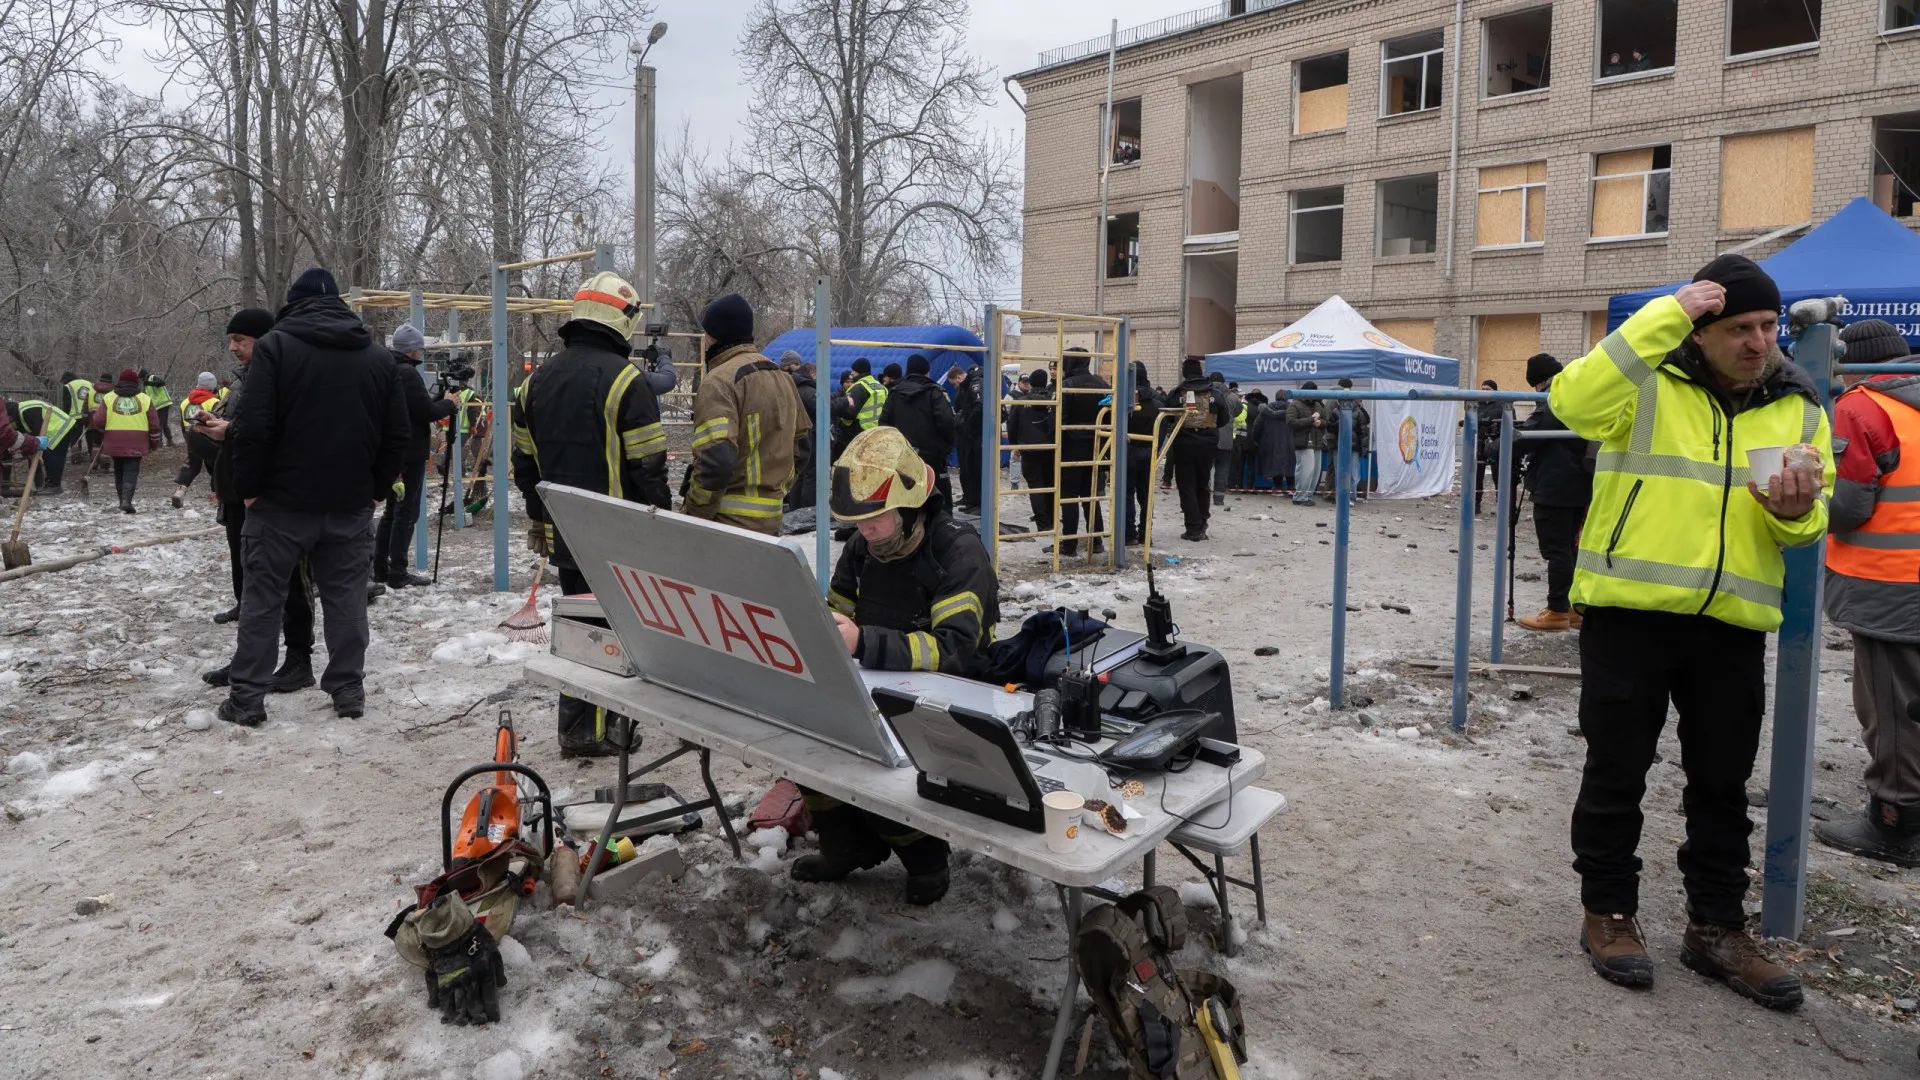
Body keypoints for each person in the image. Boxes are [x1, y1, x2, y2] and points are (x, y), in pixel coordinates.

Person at [1556, 254, 1830, 1008]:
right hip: (1630, 613)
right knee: (1617, 772)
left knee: (1723, 783)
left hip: (1730, 624)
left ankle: (1716, 928)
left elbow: (1812, 517)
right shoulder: (1645, 380)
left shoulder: (1800, 403)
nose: (1758, 342)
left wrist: (1795, 512)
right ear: (1701, 331)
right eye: (1739, 328)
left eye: (1768, 326)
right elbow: (1571, 402)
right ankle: (1608, 912)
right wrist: (1664, 314)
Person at [796, 426, 998, 904]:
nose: (864, 531)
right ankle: (843, 846)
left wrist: (864, 642)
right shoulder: (863, 548)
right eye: (857, 521)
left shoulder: (958, 552)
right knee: (807, 742)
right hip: (877, 679)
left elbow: (954, 650)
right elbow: (838, 612)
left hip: (954, 692)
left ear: (908, 507)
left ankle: (925, 859)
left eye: (875, 519)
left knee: (886, 773)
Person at [216, 268, 409, 727]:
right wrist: (375, 490)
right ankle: (348, 688)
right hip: (348, 504)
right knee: (346, 600)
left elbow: (254, 426)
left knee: (263, 600)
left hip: (279, 504)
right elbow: (396, 434)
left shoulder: (275, 349)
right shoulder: (378, 359)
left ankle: (247, 698)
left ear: (293, 303)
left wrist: (249, 490)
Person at [512, 272, 671, 756]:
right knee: (611, 630)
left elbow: (525, 465)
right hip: (618, 537)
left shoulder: (533, 383)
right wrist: (662, 527)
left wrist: (539, 519)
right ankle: (595, 732)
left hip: (564, 533)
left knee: (581, 627)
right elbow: (649, 467)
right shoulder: (627, 381)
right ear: (623, 321)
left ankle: (578, 725)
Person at [1816, 319, 1920, 865]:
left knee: (1892, 706)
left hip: (1890, 582)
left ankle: (1895, 822)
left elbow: (1848, 507)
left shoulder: (1860, 407)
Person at [197, 308, 319, 694]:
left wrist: (230, 430)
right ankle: (247, 658)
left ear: (265, 340)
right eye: (230, 340)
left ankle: (299, 658)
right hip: (238, 491)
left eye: (240, 340)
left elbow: (282, 434)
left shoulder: (284, 379)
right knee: (247, 580)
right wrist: (217, 424)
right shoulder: (242, 381)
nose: (232, 348)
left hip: (274, 496)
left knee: (291, 581)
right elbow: (244, 431)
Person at [681, 293, 810, 534]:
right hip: (772, 521)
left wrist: (695, 515)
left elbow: (716, 461)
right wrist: (775, 490)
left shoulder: (718, 382)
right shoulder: (784, 378)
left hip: (726, 525)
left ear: (713, 336)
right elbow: (803, 448)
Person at [374, 320, 457, 589]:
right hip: (409, 453)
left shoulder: (386, 369)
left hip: (391, 451)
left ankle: (381, 567)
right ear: (412, 349)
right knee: (406, 512)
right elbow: (426, 412)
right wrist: (449, 404)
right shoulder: (407, 374)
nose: (421, 352)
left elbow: (412, 407)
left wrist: (437, 400)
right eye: (419, 348)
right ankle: (397, 570)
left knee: (391, 511)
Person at [1512, 354, 1592, 632]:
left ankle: (1557, 611)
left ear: (1541, 381)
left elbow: (1530, 436)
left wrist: (1496, 444)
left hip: (1556, 485)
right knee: (1569, 548)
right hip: (1578, 483)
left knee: (1556, 549)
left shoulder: (1555, 398)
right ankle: (1573, 609)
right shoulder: (1579, 394)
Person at [878, 353, 957, 503]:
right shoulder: (935, 392)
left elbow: (884, 424)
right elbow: (947, 423)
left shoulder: (895, 393)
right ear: (927, 372)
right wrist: (944, 448)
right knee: (939, 498)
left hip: (903, 457)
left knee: (904, 497)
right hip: (932, 457)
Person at [1057, 348, 1110, 555]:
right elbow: (1110, 418)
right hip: (1096, 448)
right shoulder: (1102, 384)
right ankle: (1096, 540)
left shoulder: (1067, 385)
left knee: (1069, 497)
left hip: (1070, 449)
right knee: (1091, 496)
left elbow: (1060, 421)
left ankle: (1069, 544)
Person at [1169, 357, 1230, 539]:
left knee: (1186, 485)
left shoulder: (1177, 393)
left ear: (1185, 373)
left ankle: (1193, 527)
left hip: (1184, 444)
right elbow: (1224, 419)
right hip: (1208, 444)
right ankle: (1202, 522)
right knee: (1203, 484)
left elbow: (1167, 416)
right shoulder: (1215, 393)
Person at [89, 368, 161, 513]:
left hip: (114, 440)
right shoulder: (145, 399)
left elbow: (98, 420)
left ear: (119, 381)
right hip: (137, 441)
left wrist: (105, 431)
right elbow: (154, 424)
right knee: (131, 470)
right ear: (136, 382)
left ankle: (121, 500)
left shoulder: (109, 398)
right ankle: (127, 500)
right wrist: (155, 442)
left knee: (118, 469)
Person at [1009, 368, 1057, 534]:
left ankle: (1043, 524)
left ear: (1030, 383)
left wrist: (1015, 446)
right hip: (1051, 448)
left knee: (1035, 487)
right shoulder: (1053, 401)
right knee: (1050, 485)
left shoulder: (1021, 402)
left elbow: (1012, 425)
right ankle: (1052, 520)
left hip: (1028, 449)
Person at [1122, 359, 1160, 545]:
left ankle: (1129, 534)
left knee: (1126, 494)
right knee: (1146, 496)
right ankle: (1145, 534)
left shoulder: (1124, 399)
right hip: (1149, 451)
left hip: (1127, 451)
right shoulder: (1156, 400)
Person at [172, 372, 224, 507]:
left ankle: (180, 490)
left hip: (191, 438)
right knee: (218, 465)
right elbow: (218, 422)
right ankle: (216, 495)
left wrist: (188, 441)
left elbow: (182, 424)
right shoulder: (214, 402)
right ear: (212, 387)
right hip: (209, 439)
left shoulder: (185, 402)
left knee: (192, 464)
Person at [12, 397, 72, 492]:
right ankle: (50, 483)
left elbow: (37, 431)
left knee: (54, 456)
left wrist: (31, 446)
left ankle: (54, 485)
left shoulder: (27, 411)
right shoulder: (19, 415)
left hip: (61, 427)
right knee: (48, 456)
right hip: (53, 429)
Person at [784, 353, 819, 512]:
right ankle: (806, 510)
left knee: (800, 473)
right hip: (809, 435)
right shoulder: (807, 389)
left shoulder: (792, 384)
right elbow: (820, 408)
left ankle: (795, 508)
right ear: (812, 374)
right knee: (810, 475)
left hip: (796, 434)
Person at [1286, 381, 1327, 505]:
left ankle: (1308, 495)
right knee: (1306, 470)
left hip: (1317, 442)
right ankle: (1300, 497)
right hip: (1303, 442)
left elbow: (1326, 421)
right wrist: (1310, 420)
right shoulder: (1295, 405)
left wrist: (1321, 423)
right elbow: (1291, 421)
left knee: (1315, 471)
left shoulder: (1319, 405)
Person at [949, 363, 983, 512]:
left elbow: (977, 408)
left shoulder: (974, 385)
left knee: (976, 469)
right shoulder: (966, 388)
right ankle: (970, 499)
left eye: (954, 383)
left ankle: (978, 502)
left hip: (975, 434)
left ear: (958, 377)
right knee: (967, 468)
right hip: (967, 434)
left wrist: (968, 425)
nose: (955, 386)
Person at [1250, 389, 1294, 492]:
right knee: (1290, 464)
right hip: (1289, 442)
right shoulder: (1292, 410)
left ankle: (1277, 487)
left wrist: (1255, 439)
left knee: (1274, 464)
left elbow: (1256, 426)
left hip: (1270, 442)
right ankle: (1291, 486)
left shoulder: (1267, 410)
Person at [1473, 380, 1503, 513]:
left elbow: (1510, 422)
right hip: (1480, 443)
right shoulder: (1476, 404)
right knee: (1477, 475)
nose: (1484, 392)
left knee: (1498, 475)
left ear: (1494, 391)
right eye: (1482, 389)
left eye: (1487, 389)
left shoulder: (1502, 404)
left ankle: (1502, 505)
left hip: (1496, 444)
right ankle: (1476, 504)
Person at [1210, 373, 1240, 507]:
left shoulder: (1206, 394)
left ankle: (1203, 495)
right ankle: (1219, 498)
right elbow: (1238, 411)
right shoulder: (1233, 397)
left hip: (1208, 436)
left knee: (1204, 468)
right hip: (1226, 438)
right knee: (1222, 469)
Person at [143, 370, 176, 446]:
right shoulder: (146, 385)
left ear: (144, 377)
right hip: (158, 406)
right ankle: (169, 441)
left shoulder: (152, 378)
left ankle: (160, 442)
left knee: (160, 424)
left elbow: (162, 382)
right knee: (163, 424)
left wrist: (149, 383)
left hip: (164, 403)